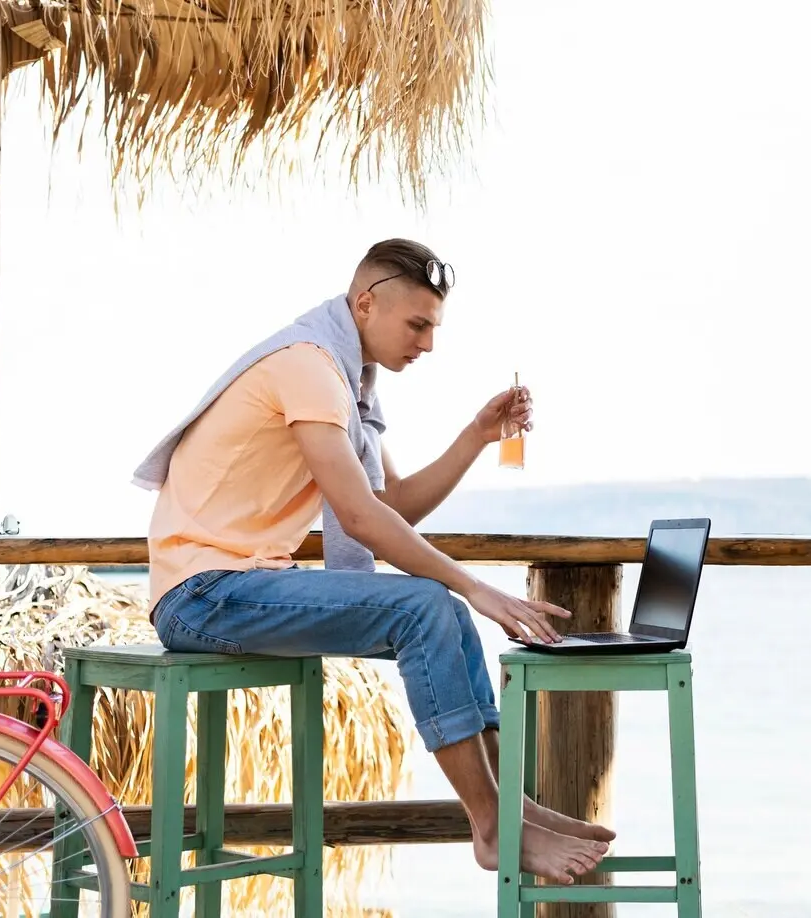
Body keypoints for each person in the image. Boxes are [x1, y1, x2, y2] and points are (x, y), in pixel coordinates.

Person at [132, 238, 613, 884]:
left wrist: (476, 436)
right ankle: (493, 828)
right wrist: (476, 586)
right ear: (365, 304)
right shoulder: (308, 368)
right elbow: (361, 518)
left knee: (439, 610)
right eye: (417, 325)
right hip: (204, 595)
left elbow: (392, 506)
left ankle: (511, 809)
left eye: (434, 327)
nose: (428, 344)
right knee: (428, 608)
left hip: (239, 585)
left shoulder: (348, 383)